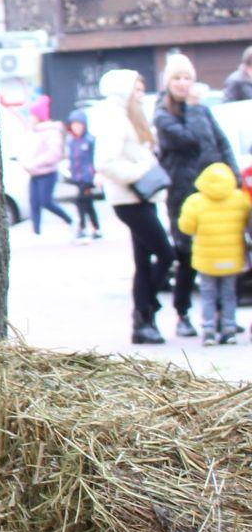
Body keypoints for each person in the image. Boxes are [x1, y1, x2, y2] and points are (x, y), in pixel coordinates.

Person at [153, 53, 237, 338]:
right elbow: (192, 139)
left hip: (216, 193)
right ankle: (183, 313)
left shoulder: (200, 109)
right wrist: (194, 110)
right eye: (177, 78)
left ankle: (222, 316)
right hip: (185, 193)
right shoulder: (163, 113)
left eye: (187, 77)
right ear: (168, 81)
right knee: (187, 254)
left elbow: (220, 142)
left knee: (221, 249)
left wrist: (232, 177)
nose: (183, 83)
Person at [95, 69, 174, 345]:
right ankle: (145, 309)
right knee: (166, 253)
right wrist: (141, 172)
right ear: (124, 91)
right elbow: (105, 162)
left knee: (143, 262)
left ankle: (144, 322)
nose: (141, 94)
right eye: (136, 90)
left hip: (144, 197)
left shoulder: (133, 115)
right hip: (129, 198)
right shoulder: (115, 118)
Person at [176, 162, 250, 344]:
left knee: (208, 294)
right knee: (229, 294)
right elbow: (247, 225)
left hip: (206, 259)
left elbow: (186, 227)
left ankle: (209, 330)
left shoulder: (195, 201)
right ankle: (229, 329)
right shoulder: (240, 199)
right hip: (232, 258)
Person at [22, 95, 73, 235]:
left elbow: (53, 154)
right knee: (34, 203)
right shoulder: (33, 132)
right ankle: (36, 232)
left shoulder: (52, 132)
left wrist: (34, 163)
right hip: (34, 173)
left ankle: (70, 220)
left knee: (46, 201)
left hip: (47, 172)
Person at [63, 111, 102, 240]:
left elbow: (93, 159)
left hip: (87, 178)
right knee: (86, 204)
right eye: (74, 125)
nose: (76, 127)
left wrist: (95, 175)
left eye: (79, 124)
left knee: (81, 202)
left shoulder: (89, 140)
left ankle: (85, 227)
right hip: (77, 178)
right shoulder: (72, 141)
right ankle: (93, 228)